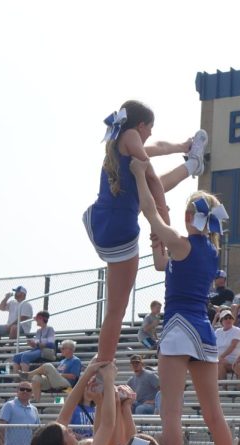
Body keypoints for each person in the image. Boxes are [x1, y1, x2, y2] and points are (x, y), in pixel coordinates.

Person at [128, 157, 235, 445]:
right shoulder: (211, 251)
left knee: (170, 412)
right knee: (213, 413)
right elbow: (164, 266)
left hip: (177, 329)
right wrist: (158, 248)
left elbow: (149, 212)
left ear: (191, 215)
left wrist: (139, 177)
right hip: (202, 330)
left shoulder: (182, 242)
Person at [85, 101, 204, 363]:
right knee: (117, 309)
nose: (150, 134)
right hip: (119, 230)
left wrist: (181, 147)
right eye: (149, 128)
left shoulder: (121, 140)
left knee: (151, 186)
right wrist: (165, 226)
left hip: (102, 220)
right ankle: (104, 362)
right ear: (140, 126)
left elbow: (157, 149)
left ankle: (192, 165)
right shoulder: (130, 136)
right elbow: (151, 180)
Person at [215, 309, 240, 381]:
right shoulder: (217, 331)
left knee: (219, 363)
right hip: (220, 360)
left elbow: (232, 346)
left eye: (230, 318)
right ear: (221, 321)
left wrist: (221, 357)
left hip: (234, 360)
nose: (228, 320)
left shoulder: (236, 330)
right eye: (226, 318)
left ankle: (224, 388)